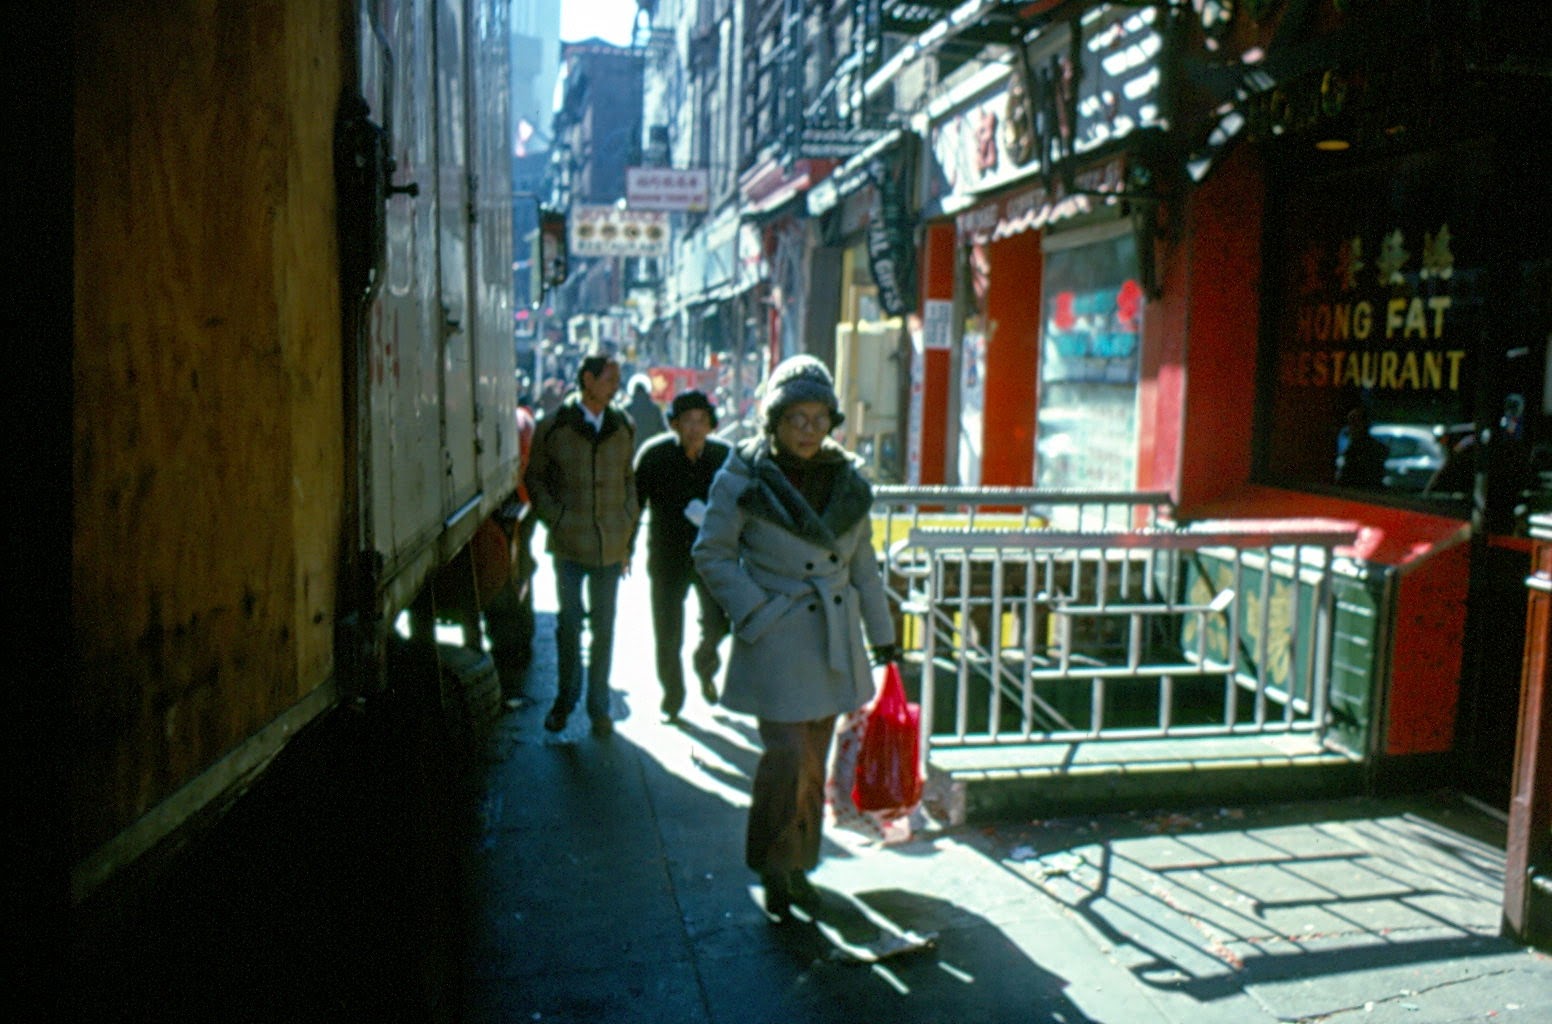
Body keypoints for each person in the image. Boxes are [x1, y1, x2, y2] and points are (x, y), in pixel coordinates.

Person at [692, 355, 898, 922]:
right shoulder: (744, 474)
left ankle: (800, 866)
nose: (807, 430)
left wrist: (884, 638)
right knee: (784, 756)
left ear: (831, 422)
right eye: (795, 418)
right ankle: (771, 864)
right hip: (778, 637)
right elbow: (711, 552)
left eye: (817, 418)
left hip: (833, 640)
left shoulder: (850, 482)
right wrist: (754, 611)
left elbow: (864, 568)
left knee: (814, 761)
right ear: (774, 421)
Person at [522, 352, 639, 737]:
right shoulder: (553, 427)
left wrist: (627, 535)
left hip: (610, 547)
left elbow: (628, 484)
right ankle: (565, 701)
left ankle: (598, 707)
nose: (616, 386)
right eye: (609, 379)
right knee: (568, 625)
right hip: (569, 545)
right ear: (587, 380)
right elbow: (535, 480)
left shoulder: (623, 425)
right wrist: (556, 519)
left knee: (605, 629)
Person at [634, 390, 732, 723]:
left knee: (719, 623)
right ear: (674, 424)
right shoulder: (654, 456)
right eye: (686, 421)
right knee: (667, 631)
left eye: (701, 421)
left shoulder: (725, 458)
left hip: (713, 557)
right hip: (667, 557)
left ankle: (706, 665)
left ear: (710, 425)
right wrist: (624, 549)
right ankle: (672, 695)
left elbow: (743, 506)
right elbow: (633, 506)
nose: (694, 428)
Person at [1335, 406, 1388, 488]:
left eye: (1355, 424)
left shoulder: (1371, 449)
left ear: (1364, 425)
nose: (1351, 428)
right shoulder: (1352, 447)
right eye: (1350, 423)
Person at [625, 374, 669, 454]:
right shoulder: (655, 409)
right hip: (651, 453)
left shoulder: (626, 409)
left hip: (631, 453)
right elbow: (664, 431)